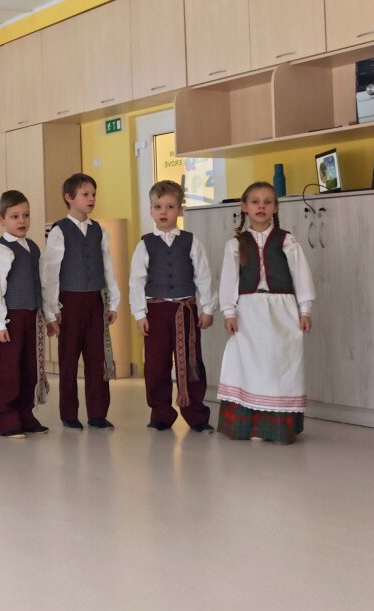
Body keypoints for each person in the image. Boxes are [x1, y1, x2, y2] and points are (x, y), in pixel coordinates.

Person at [217, 181, 315, 444]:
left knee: (279, 365)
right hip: (248, 312)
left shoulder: (287, 241)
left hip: (282, 312)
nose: (261, 206)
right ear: (244, 206)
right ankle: (250, 425)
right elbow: (229, 280)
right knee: (248, 365)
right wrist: (229, 312)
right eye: (255, 202)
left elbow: (301, 275)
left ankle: (276, 427)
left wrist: (305, 310)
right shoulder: (235, 244)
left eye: (267, 202)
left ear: (276, 207)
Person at [128, 180, 216, 434]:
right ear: (151, 211)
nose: (163, 212)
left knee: (191, 362)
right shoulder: (145, 244)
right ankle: (160, 413)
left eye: (169, 206)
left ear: (180, 210)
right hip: (155, 312)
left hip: (185, 310)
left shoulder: (191, 242)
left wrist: (208, 308)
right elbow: (136, 281)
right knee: (156, 364)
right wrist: (139, 314)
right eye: (158, 207)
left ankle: (196, 414)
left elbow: (203, 276)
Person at [42, 173, 121, 431]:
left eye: (93, 194)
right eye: (85, 194)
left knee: (97, 359)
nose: (91, 199)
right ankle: (69, 413)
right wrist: (52, 309)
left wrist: (113, 302)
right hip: (69, 302)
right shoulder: (59, 231)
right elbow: (51, 272)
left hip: (95, 301)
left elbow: (108, 267)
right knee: (68, 359)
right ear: (69, 198)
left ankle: (98, 413)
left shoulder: (99, 231)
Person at [0, 190, 50, 439]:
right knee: (8, 370)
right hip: (11, 318)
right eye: (14, 216)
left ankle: (25, 414)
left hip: (32, 316)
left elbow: (42, 283)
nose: (21, 221)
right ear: (2, 220)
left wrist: (49, 315)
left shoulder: (33, 248)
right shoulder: (0, 250)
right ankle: (5, 417)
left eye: (26, 215)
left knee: (29, 367)